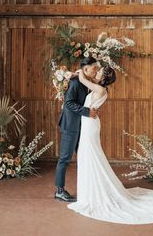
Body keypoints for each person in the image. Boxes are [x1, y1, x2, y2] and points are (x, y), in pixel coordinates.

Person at [67, 65, 153, 224]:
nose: (97, 72)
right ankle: (87, 192)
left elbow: (82, 79)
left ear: (103, 78)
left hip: (90, 125)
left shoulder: (100, 89)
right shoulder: (100, 89)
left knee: (90, 155)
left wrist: (77, 72)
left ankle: (91, 193)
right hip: (88, 122)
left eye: (99, 71)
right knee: (88, 155)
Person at [54, 57, 99, 202]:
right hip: (70, 125)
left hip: (82, 127)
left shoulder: (88, 82)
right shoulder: (74, 82)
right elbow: (68, 103)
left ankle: (88, 187)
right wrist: (87, 112)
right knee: (65, 159)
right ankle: (59, 191)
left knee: (84, 157)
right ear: (85, 69)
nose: (96, 71)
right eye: (94, 68)